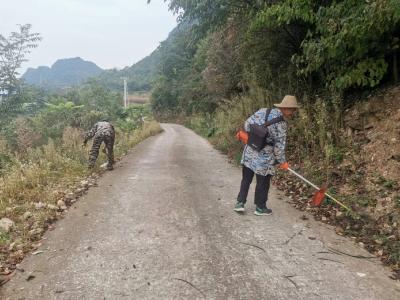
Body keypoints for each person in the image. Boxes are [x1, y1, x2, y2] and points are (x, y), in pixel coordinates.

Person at [234, 95, 299, 216]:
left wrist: (257, 136)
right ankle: (260, 207)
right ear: (285, 108)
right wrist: (282, 161)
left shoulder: (263, 110)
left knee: (246, 178)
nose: (293, 112)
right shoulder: (282, 124)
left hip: (250, 150)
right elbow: (279, 146)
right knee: (263, 181)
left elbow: (247, 124)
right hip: (265, 156)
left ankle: (240, 203)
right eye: (292, 109)